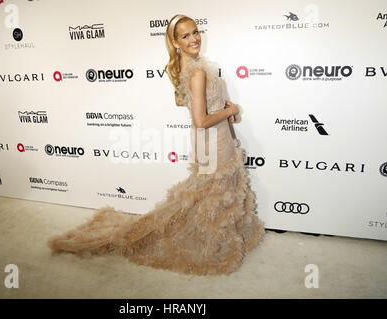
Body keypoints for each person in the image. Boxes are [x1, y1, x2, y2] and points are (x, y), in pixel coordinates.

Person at [47, 14, 266, 276]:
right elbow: (200, 120)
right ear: (175, 42)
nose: (194, 38)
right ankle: (211, 244)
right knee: (214, 195)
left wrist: (225, 110)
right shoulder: (196, 72)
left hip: (216, 139)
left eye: (195, 32)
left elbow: (181, 102)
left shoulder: (190, 68)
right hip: (212, 141)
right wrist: (233, 108)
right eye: (185, 36)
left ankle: (225, 234)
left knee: (215, 193)